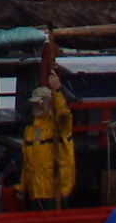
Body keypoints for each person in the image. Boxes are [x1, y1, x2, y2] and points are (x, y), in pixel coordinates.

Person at [20, 75, 77, 209]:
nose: (36, 105)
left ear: (50, 103)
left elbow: (63, 113)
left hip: (56, 193)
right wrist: (22, 187)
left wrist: (57, 90)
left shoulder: (59, 127)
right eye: (34, 103)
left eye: (40, 102)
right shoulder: (30, 130)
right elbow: (27, 163)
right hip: (35, 193)